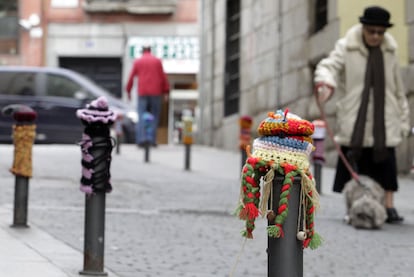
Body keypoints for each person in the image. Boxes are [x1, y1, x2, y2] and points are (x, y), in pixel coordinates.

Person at [314, 6, 410, 223]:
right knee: (354, 162)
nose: (376, 36)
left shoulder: (390, 51)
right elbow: (328, 67)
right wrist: (325, 83)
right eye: (372, 31)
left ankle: (388, 207)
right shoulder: (346, 46)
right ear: (364, 28)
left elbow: (397, 88)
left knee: (386, 164)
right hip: (355, 118)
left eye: (380, 32)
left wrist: (403, 119)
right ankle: (355, 206)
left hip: (385, 118)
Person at [126, 45, 170, 147]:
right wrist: (166, 91)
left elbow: (131, 77)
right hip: (156, 92)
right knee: (154, 115)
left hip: (143, 92)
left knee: (141, 115)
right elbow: (163, 76)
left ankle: (141, 139)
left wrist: (128, 91)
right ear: (150, 50)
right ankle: (151, 139)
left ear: (142, 51)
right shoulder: (157, 61)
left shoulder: (138, 61)